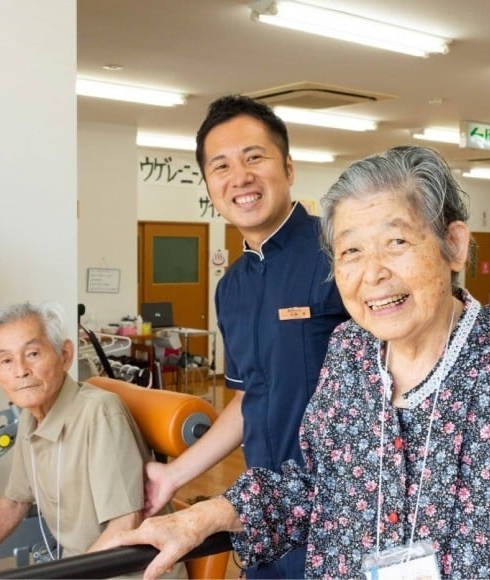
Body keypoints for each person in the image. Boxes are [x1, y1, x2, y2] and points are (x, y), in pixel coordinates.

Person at [109, 145, 490, 578]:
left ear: (455, 246)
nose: (373, 274)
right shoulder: (348, 356)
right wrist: (207, 514)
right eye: (351, 252)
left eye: (396, 241)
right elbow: (315, 484)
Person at [141, 95, 348, 578]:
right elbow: (250, 399)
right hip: (262, 514)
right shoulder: (231, 287)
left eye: (254, 157)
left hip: (343, 507)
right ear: (211, 185)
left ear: (289, 167)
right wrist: (174, 474)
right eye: (221, 166)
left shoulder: (341, 253)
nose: (241, 176)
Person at [0, 302, 156, 578]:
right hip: (79, 568)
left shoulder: (99, 414)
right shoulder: (31, 417)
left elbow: (124, 524)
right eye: (6, 361)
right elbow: (15, 501)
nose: (21, 371)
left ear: (65, 355)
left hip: (128, 573)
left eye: (33, 354)